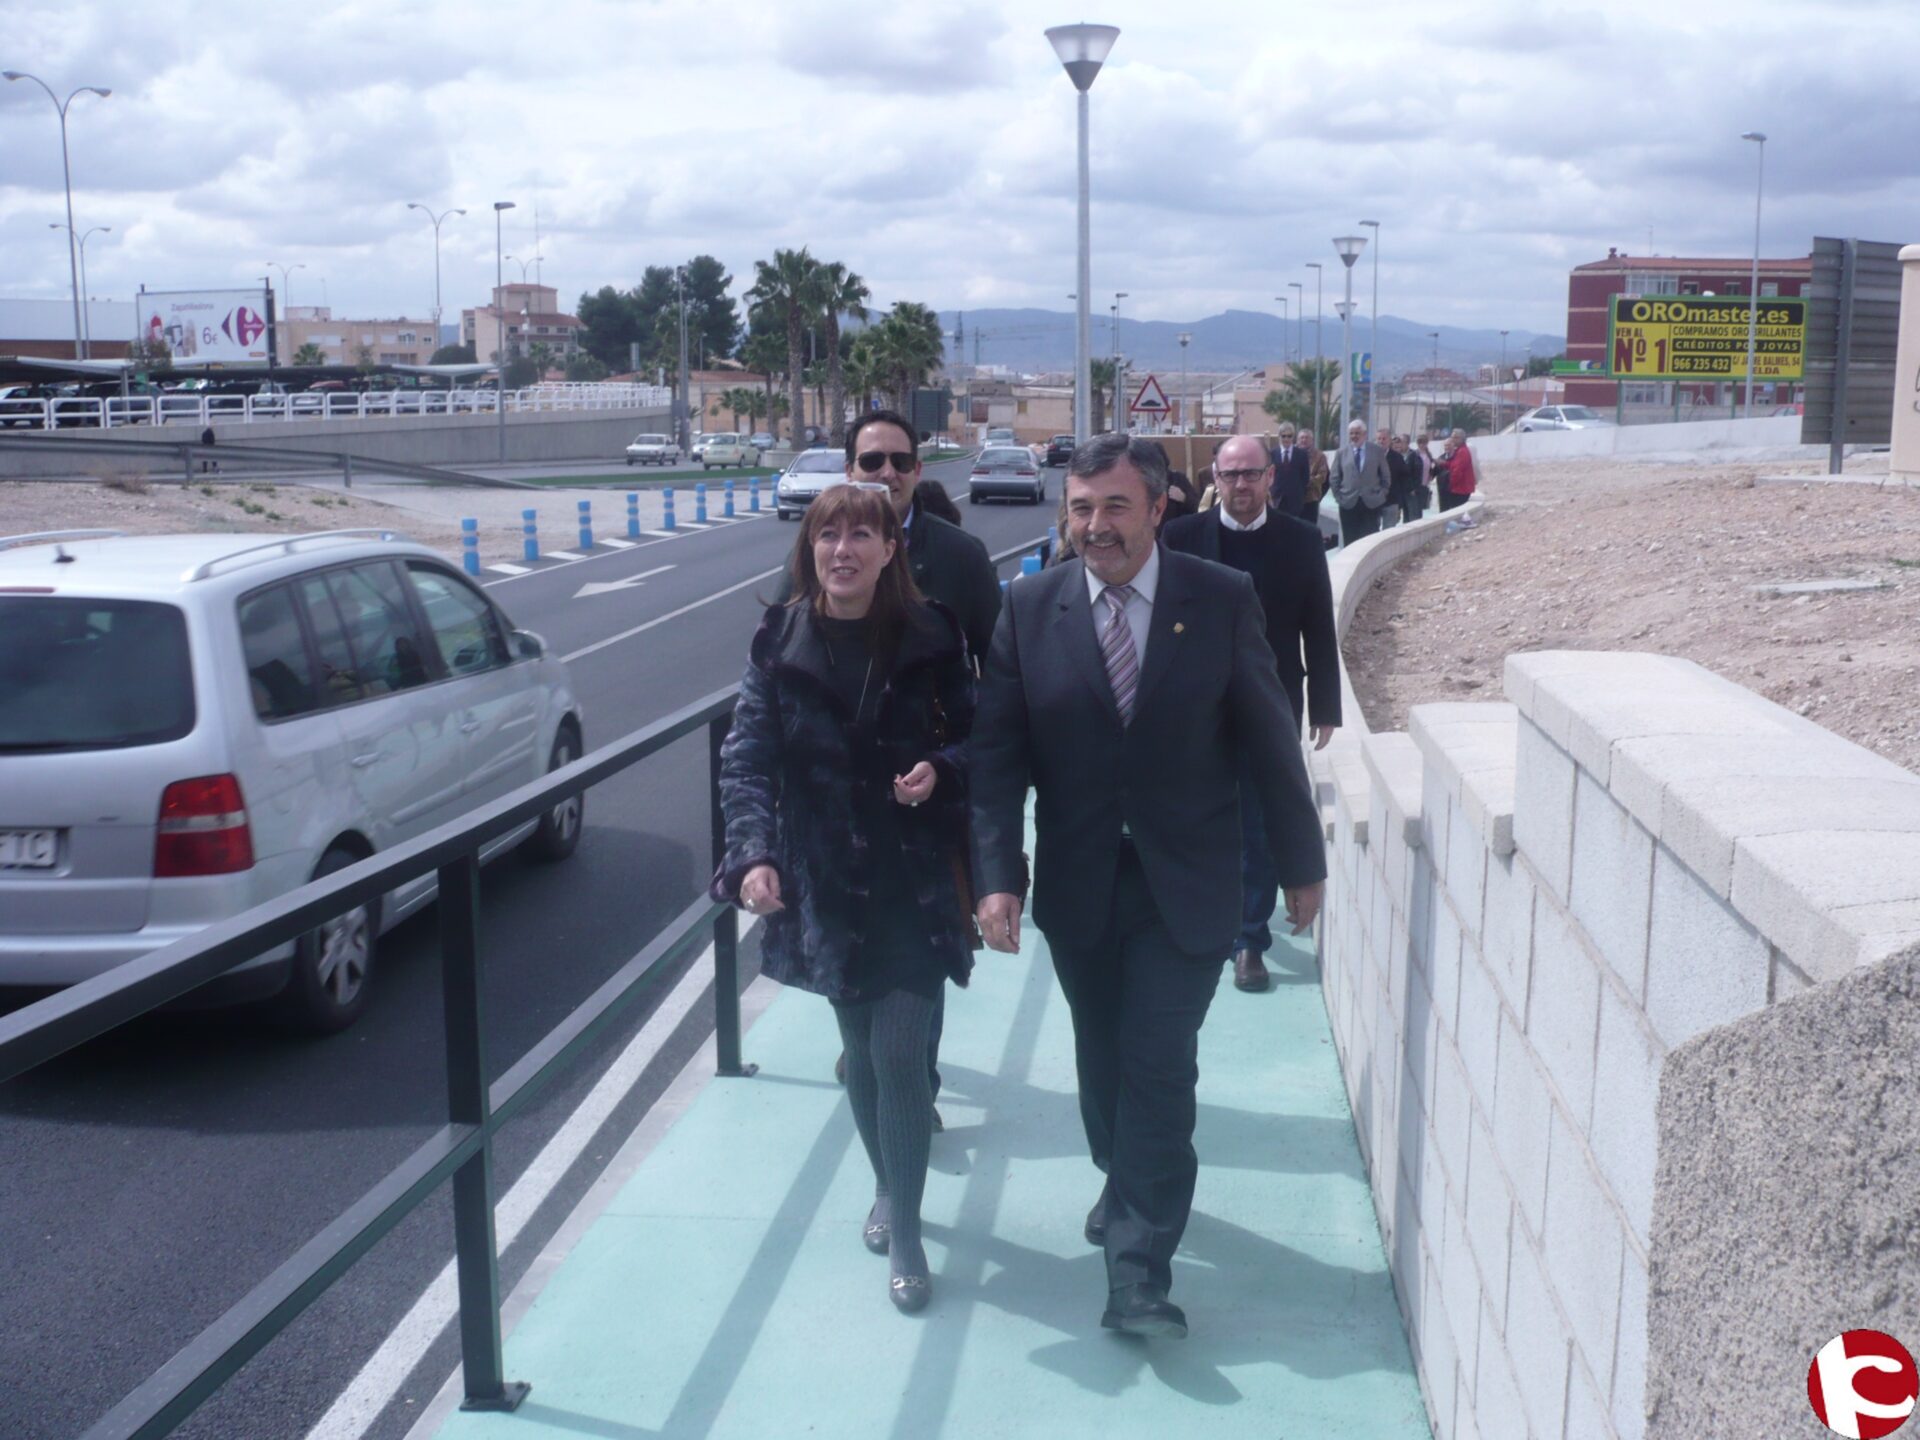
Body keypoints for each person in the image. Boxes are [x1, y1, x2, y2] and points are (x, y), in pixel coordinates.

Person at [970, 434, 1326, 1339]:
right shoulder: (1029, 609)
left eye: (1116, 507)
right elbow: (998, 757)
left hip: (1189, 881)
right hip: (1082, 883)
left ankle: (1137, 1274)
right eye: (1081, 509)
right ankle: (1124, 1174)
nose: (1096, 526)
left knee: (1158, 1064)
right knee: (1102, 1061)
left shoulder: (1221, 598)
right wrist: (997, 877)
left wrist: (1301, 863)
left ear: (1160, 508)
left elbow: (1268, 738)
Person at [715, 482, 976, 1315]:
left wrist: (943, 770)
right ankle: (888, 1185)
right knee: (860, 1051)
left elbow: (982, 736)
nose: (843, 550)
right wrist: (753, 855)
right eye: (829, 536)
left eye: (863, 535)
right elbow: (746, 758)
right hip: (826, 881)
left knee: (899, 1053)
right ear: (811, 550)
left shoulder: (933, 635)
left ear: (891, 550)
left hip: (914, 877)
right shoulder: (779, 641)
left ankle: (907, 1233)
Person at [1162, 434, 1341, 993]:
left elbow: (1318, 624)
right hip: (1195, 707)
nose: (1241, 484)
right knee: (1196, 818)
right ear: (1215, 478)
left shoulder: (1301, 540)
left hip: (1272, 702)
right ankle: (1199, 919)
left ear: (1271, 478)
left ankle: (1249, 940)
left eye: (1251, 474)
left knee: (1259, 823)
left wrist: (1326, 706)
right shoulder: (1180, 537)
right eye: (1230, 474)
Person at [1327, 418, 1391, 545]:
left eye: (1357, 433)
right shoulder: (1341, 453)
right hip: (1348, 503)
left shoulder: (1376, 451)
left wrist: (1382, 494)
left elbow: (1386, 476)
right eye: (1351, 433)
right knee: (1350, 541)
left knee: (1369, 542)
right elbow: (1334, 477)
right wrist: (1338, 497)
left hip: (1371, 503)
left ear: (1364, 434)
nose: (1354, 436)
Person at [1269, 422, 1313, 523]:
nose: (1286, 439)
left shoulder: (1301, 454)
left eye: (1289, 436)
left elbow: (1305, 478)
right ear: (1279, 436)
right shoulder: (1272, 454)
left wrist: (1299, 493)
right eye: (1283, 436)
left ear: (1293, 437)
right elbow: (1269, 475)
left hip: (1295, 501)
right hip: (1276, 500)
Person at [1438, 427, 1477, 512]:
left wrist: (1449, 485)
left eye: (1455, 438)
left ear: (1462, 439)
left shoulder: (1462, 452)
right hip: (1460, 488)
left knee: (1456, 511)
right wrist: (1444, 463)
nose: (1453, 440)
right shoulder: (1460, 450)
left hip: (1460, 489)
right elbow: (1453, 465)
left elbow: (1457, 471)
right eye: (1452, 437)